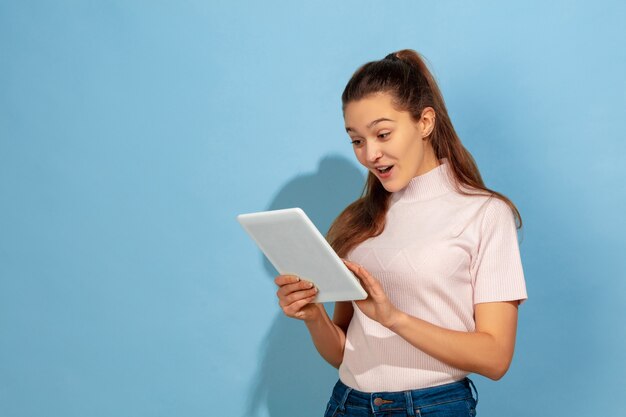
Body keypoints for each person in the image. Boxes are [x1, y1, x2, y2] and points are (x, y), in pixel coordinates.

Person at [274, 49, 528, 417]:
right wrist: (314, 316)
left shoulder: (485, 214)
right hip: (347, 404)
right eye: (357, 140)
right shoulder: (359, 221)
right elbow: (345, 354)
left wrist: (393, 318)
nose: (370, 154)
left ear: (425, 122)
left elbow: (495, 357)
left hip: (431, 407)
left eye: (382, 133)